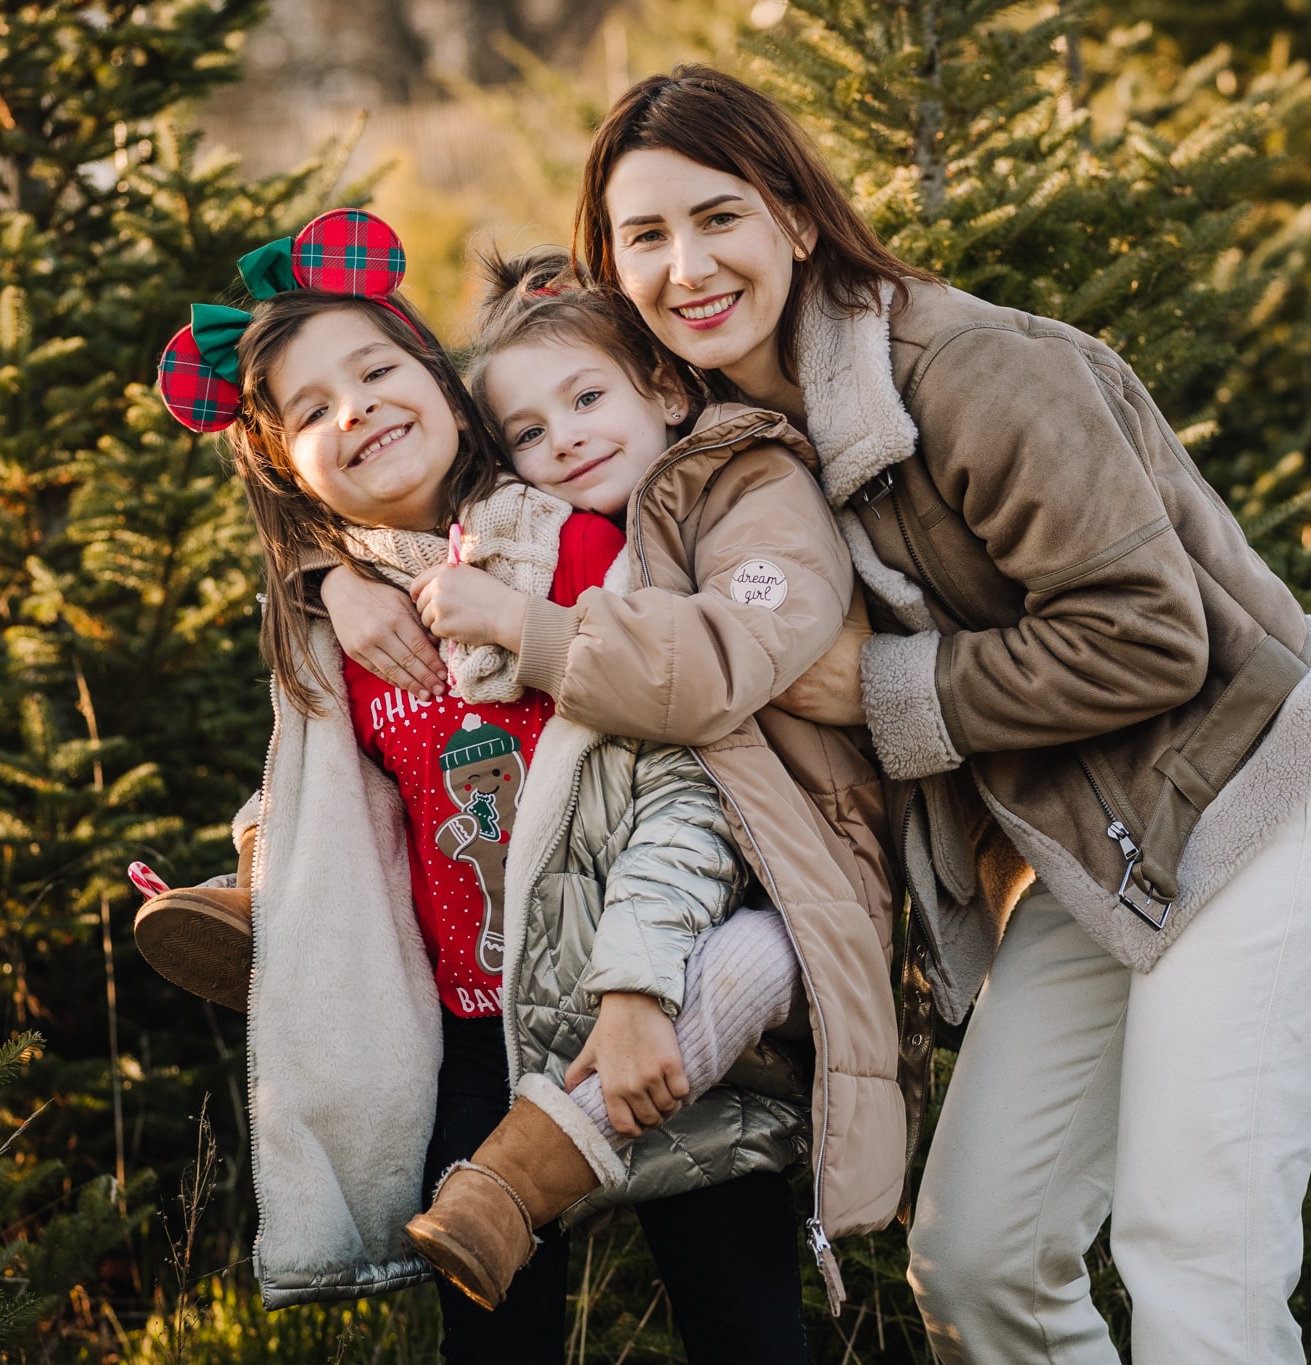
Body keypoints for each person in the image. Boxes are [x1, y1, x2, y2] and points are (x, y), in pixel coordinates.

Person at [571, 66, 1311, 1365]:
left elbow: (1149, 634)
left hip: (1251, 799)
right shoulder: (728, 447)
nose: (686, 266)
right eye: (646, 236)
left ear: (796, 218)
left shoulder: (969, 372)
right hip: (1096, 844)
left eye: (718, 216)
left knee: (1196, 1255)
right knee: (982, 1259)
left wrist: (881, 690)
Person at [138, 209, 816, 1363]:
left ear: (449, 396)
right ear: (282, 466)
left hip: (645, 995)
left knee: (742, 1325)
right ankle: (260, 897)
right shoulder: (329, 630)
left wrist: (640, 980)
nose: (351, 409)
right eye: (310, 412)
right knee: (491, 1336)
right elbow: (336, 798)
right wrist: (321, 584)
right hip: (472, 1033)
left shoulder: (577, 551)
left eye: (374, 371)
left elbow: (679, 779)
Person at [325, 241, 909, 1314]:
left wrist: (518, 623)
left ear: (664, 384)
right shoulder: (582, 536)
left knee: (743, 960)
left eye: (587, 396)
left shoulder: (747, 483)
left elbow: (703, 692)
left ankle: (519, 1174)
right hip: (686, 859)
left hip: (802, 860)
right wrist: (318, 575)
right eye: (531, 434)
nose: (567, 438)